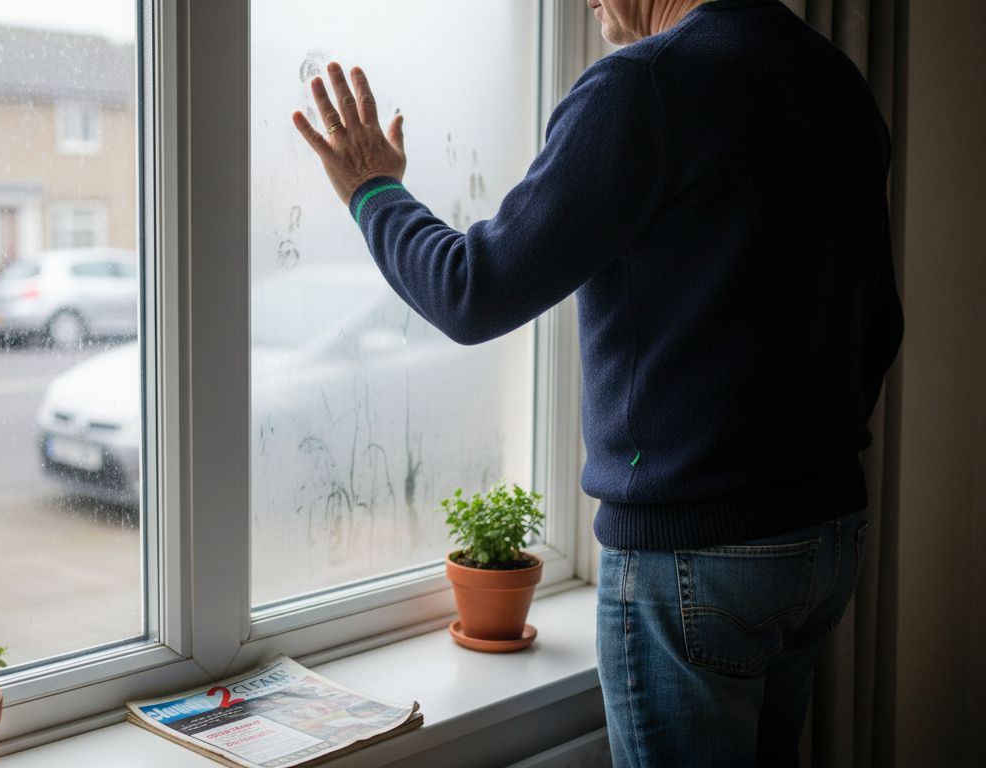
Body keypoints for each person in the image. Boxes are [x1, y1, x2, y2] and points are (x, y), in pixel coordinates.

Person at [292, 0, 903, 765]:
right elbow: (880, 328)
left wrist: (372, 191)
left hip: (693, 556)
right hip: (825, 538)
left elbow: (472, 293)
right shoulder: (836, 80)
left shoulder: (643, 87)